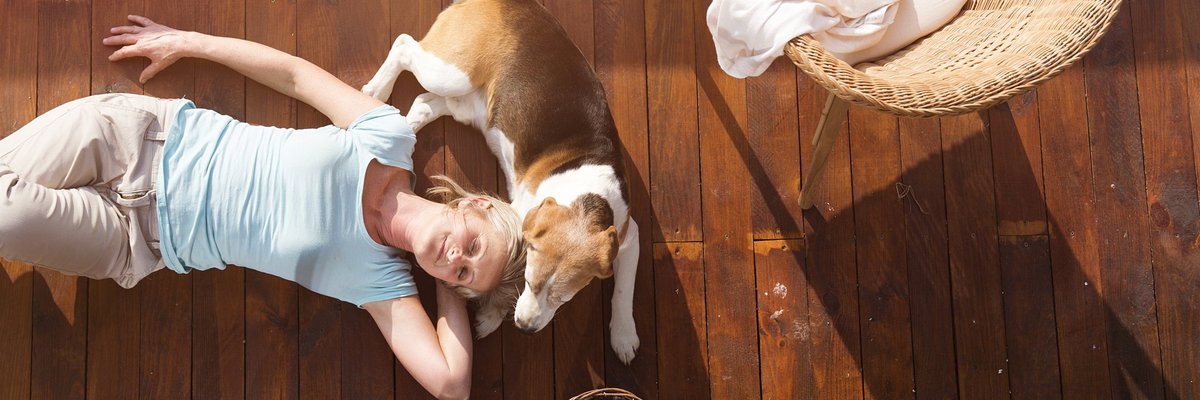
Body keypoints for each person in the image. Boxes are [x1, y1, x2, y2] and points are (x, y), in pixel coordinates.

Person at [0, 15, 524, 400]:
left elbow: (452, 384)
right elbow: (294, 74)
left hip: (132, 236)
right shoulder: (387, 136)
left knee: (7, 215)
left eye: (463, 273)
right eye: (474, 245)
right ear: (472, 205)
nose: (458, 256)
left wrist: (446, 287)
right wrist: (189, 42)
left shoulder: (381, 284)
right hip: (137, 136)